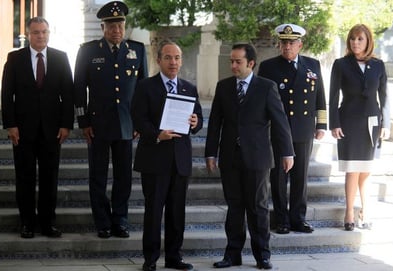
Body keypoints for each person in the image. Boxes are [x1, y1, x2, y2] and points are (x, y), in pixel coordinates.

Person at [205, 43, 294, 269]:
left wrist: (287, 152)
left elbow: (280, 121)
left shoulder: (266, 87)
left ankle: (262, 255)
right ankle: (232, 254)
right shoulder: (223, 87)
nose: (233, 65)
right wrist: (210, 153)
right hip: (230, 158)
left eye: (238, 62)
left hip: (257, 158)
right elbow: (215, 122)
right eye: (231, 61)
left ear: (251, 63)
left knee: (258, 208)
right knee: (235, 208)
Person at [73, 1, 148, 238]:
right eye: (112, 26)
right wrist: (84, 122)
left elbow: (143, 89)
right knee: (98, 176)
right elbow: (78, 89)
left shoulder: (137, 49)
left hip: (126, 124)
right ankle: (102, 222)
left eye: (120, 25)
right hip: (98, 125)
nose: (117, 30)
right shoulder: (88, 50)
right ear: (103, 27)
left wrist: (139, 122)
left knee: (124, 177)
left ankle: (120, 220)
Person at [131, 40, 203, 271]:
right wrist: (156, 134)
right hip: (154, 158)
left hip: (180, 160)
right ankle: (150, 259)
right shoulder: (145, 87)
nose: (173, 62)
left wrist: (195, 122)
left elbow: (198, 119)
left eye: (177, 58)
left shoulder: (188, 88)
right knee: (153, 211)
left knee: (176, 212)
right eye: (169, 58)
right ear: (159, 59)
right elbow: (138, 118)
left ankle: (174, 257)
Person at [1, 17, 74, 238]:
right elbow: (7, 95)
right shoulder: (15, 59)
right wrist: (10, 125)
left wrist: (66, 124)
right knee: (25, 177)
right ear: (28, 35)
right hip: (22, 130)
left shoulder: (61, 58)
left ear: (49, 33)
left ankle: (47, 223)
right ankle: (27, 223)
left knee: (49, 178)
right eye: (36, 32)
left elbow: (68, 94)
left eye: (44, 32)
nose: (41, 36)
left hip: (52, 130)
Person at [258, 23, 327, 234]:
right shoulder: (269, 67)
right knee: (279, 176)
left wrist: (321, 124)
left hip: (304, 129)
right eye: (284, 43)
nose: (287, 47)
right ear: (279, 45)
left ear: (300, 44)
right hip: (280, 130)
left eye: (291, 43)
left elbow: (320, 98)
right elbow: (262, 101)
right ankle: (281, 219)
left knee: (300, 177)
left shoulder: (312, 65)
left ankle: (298, 218)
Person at [329, 24, 390, 231]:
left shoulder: (379, 65)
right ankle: (349, 212)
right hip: (348, 122)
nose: (355, 42)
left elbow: (384, 97)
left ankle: (366, 211)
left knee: (366, 170)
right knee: (353, 170)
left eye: (360, 39)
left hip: (372, 123)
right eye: (353, 39)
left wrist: (386, 124)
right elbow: (333, 96)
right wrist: (334, 123)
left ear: (368, 41)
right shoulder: (341, 64)